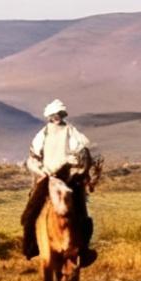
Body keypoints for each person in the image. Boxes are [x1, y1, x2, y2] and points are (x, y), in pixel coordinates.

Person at [20, 99, 97, 265]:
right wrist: (41, 170)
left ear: (62, 115)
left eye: (60, 114)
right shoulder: (43, 134)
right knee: (31, 211)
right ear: (49, 116)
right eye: (54, 115)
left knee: (81, 210)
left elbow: (81, 149)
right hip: (47, 175)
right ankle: (31, 245)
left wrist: (74, 163)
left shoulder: (70, 131)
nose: (57, 117)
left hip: (67, 175)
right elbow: (34, 156)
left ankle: (82, 248)